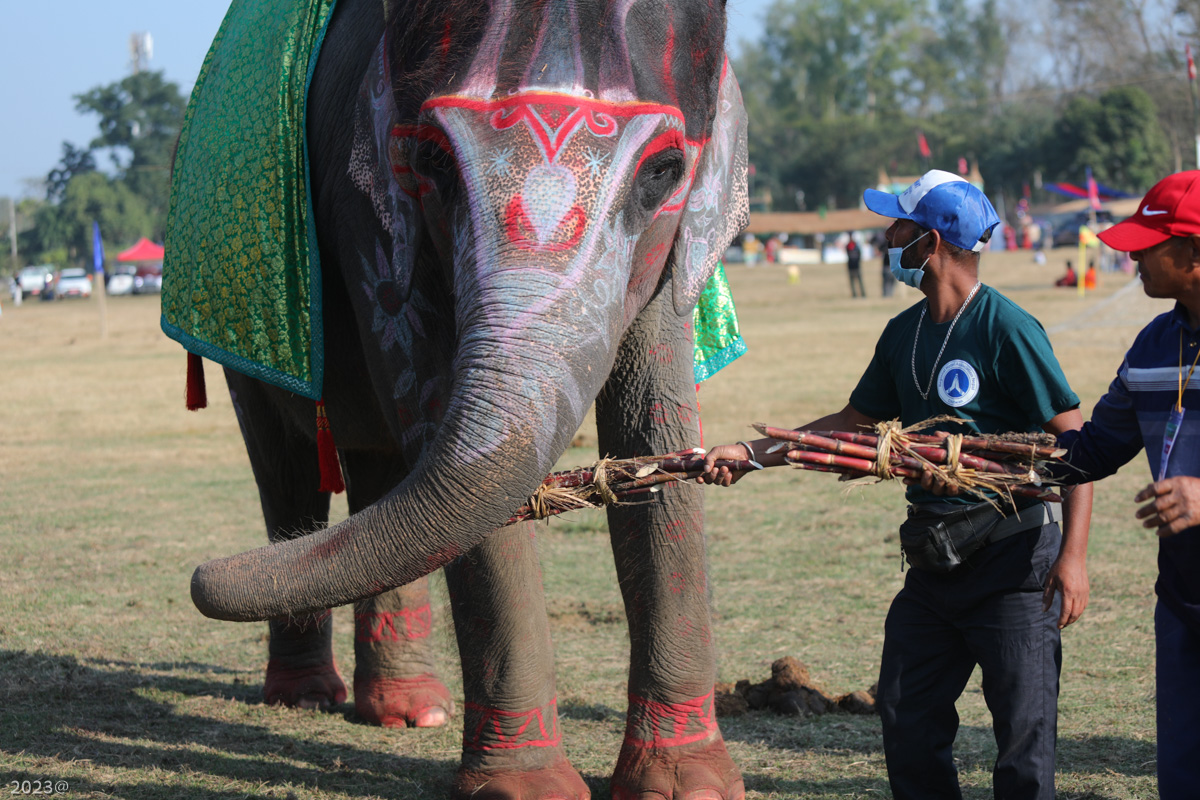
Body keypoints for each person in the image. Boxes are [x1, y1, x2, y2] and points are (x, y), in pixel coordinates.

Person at [699, 169, 1092, 800]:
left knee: (1023, 741)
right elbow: (851, 425)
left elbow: (1077, 448)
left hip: (1013, 564)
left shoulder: (1007, 329)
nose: (888, 236)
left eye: (899, 226)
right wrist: (751, 453)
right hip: (935, 565)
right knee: (906, 716)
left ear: (931, 242)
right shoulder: (903, 334)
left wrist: (1072, 558)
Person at [1047, 170, 1200, 799]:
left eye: (1148, 244)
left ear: (1192, 254)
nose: (1132, 255)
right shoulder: (1154, 344)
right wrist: (978, 461)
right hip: (1183, 603)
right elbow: (1088, 454)